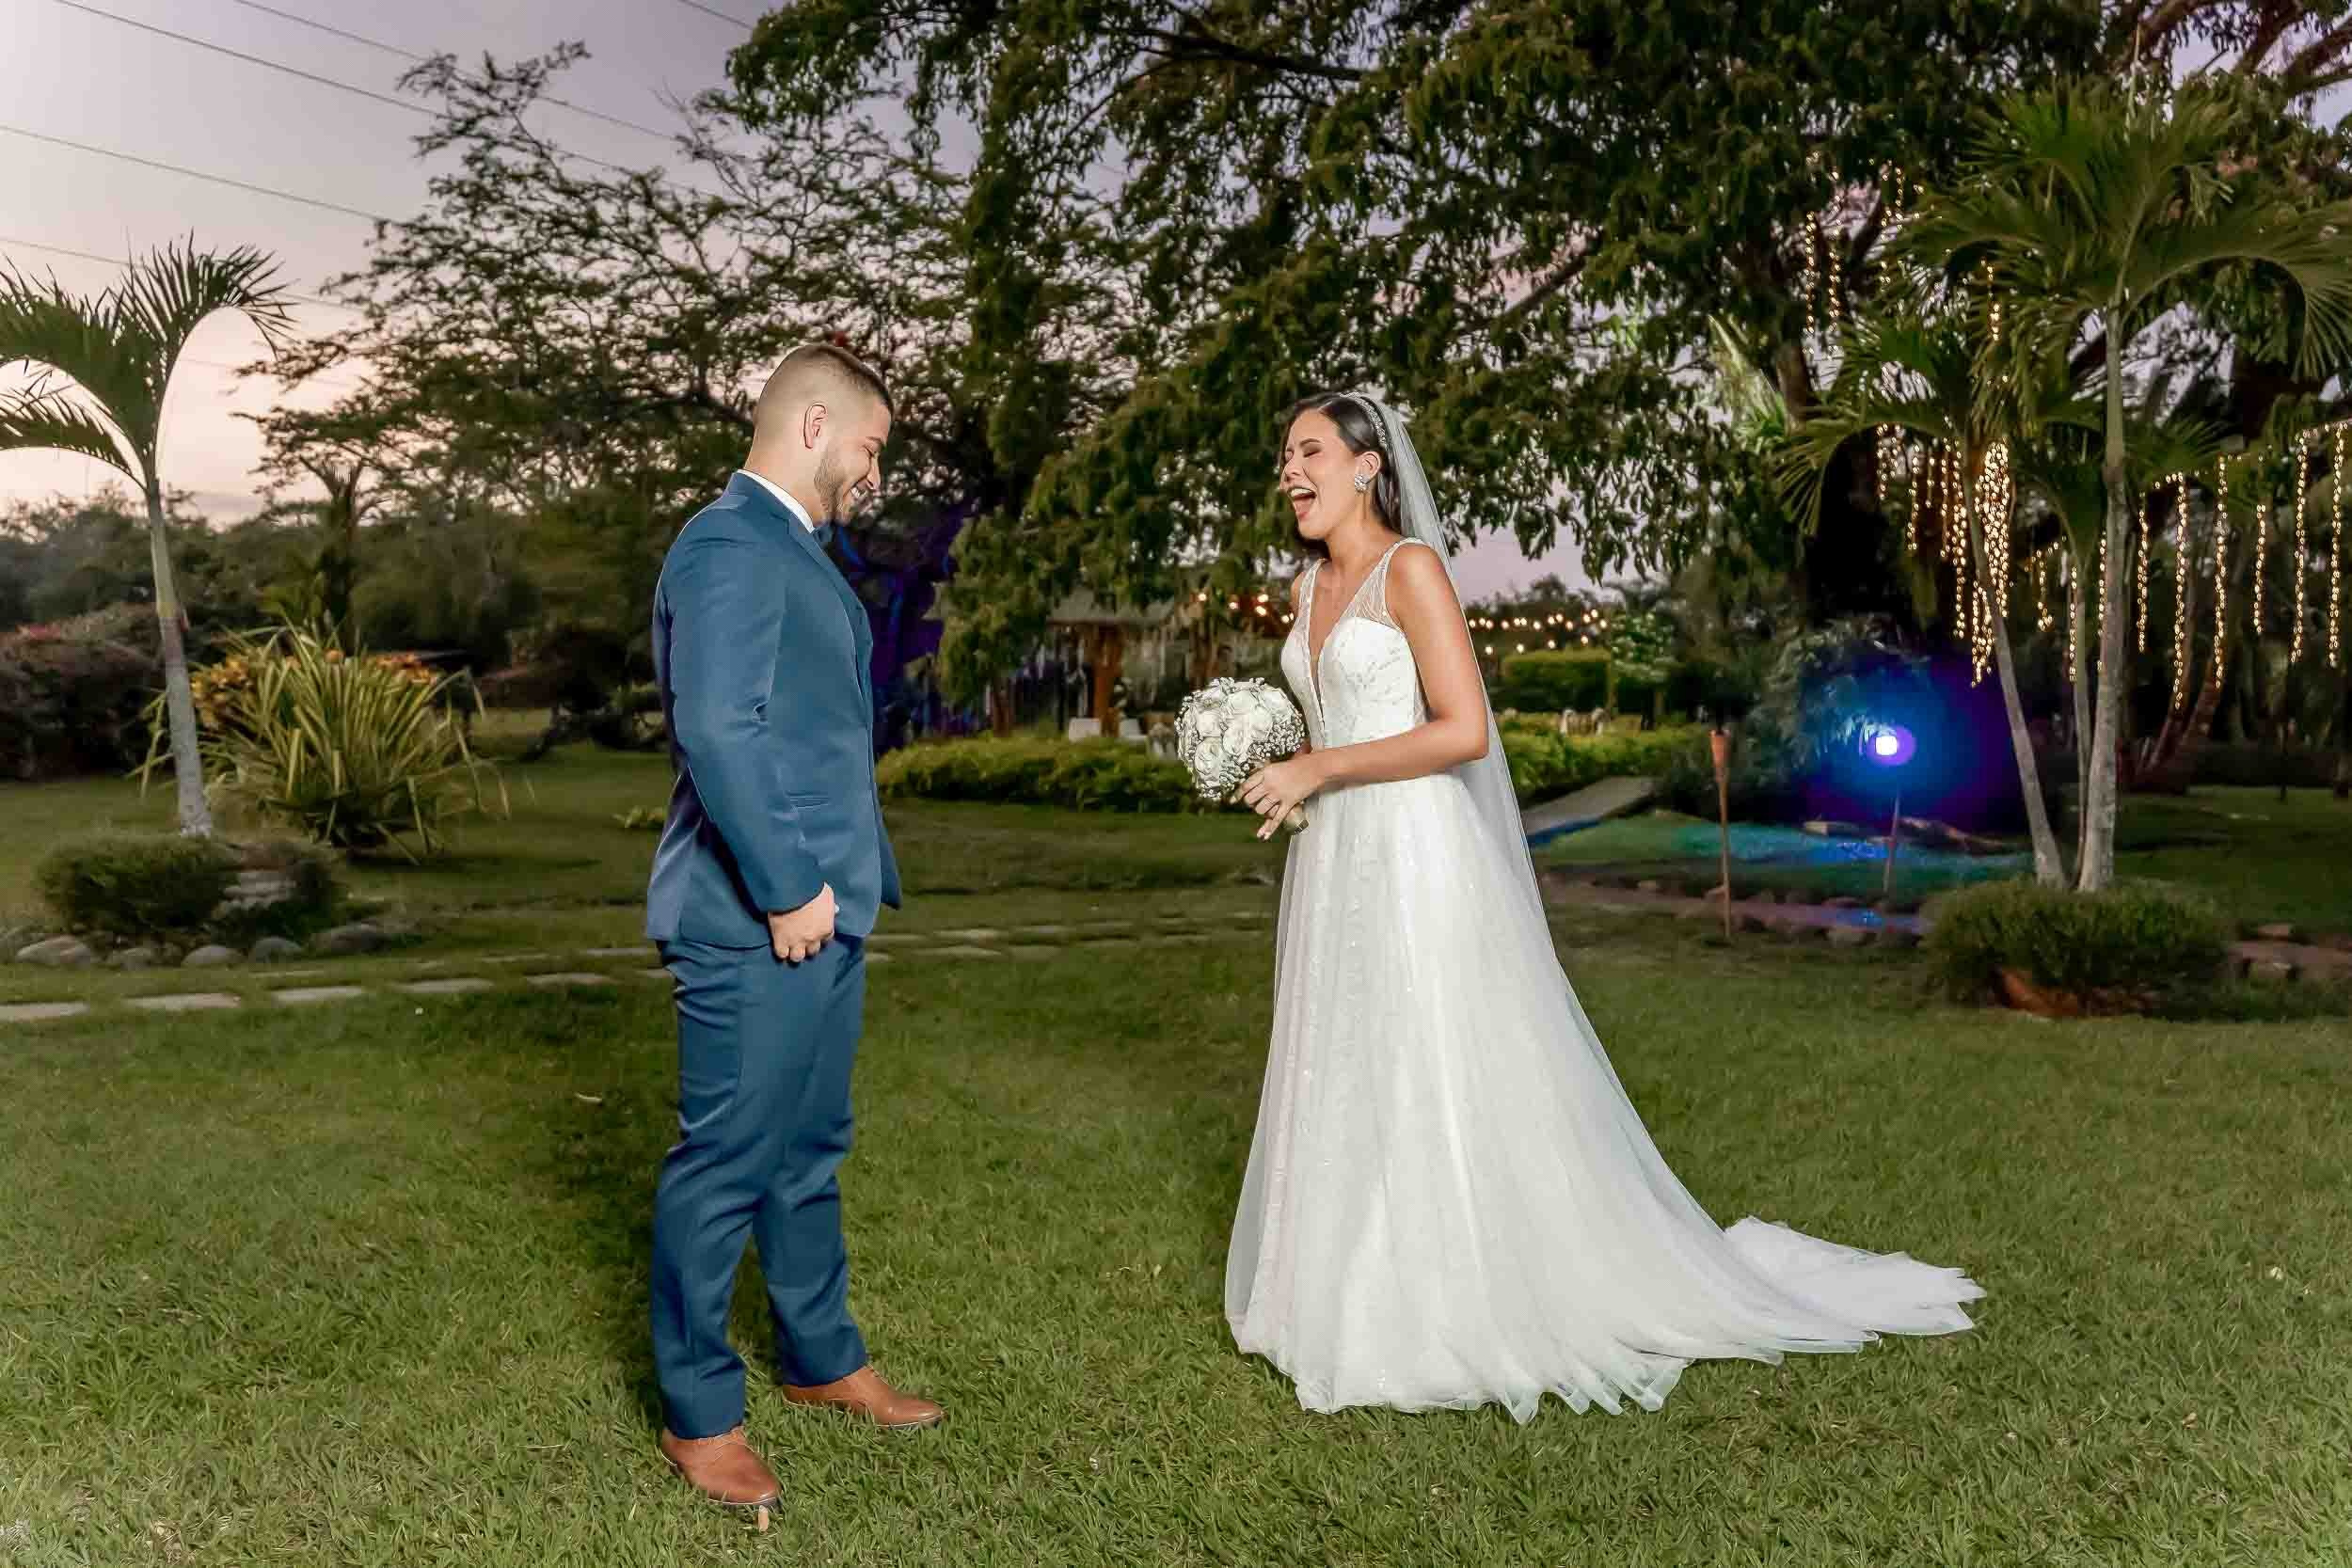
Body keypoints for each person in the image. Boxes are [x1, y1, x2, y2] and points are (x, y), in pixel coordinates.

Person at [1225, 391, 1983, 1421]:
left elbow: (1463, 732)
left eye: (1307, 449)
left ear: (1367, 465)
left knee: (1426, 1056)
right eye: (1282, 456)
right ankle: (1330, 1288)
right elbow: (1335, 721)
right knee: (1343, 1051)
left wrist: (1323, 763)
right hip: (1337, 859)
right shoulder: (1309, 584)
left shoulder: (1411, 569)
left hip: (1414, 849)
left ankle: (1447, 1295)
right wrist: (1283, 767)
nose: (1289, 471)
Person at [644, 342, 940, 1513]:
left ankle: (822, 1358)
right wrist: (782, 886)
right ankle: (698, 1408)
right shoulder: (729, 542)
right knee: (724, 1162)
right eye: (872, 447)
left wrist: (832, 888)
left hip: (829, 906)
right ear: (815, 428)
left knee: (810, 1147)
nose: (875, 472)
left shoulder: (792, 551)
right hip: (758, 914)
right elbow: (718, 728)